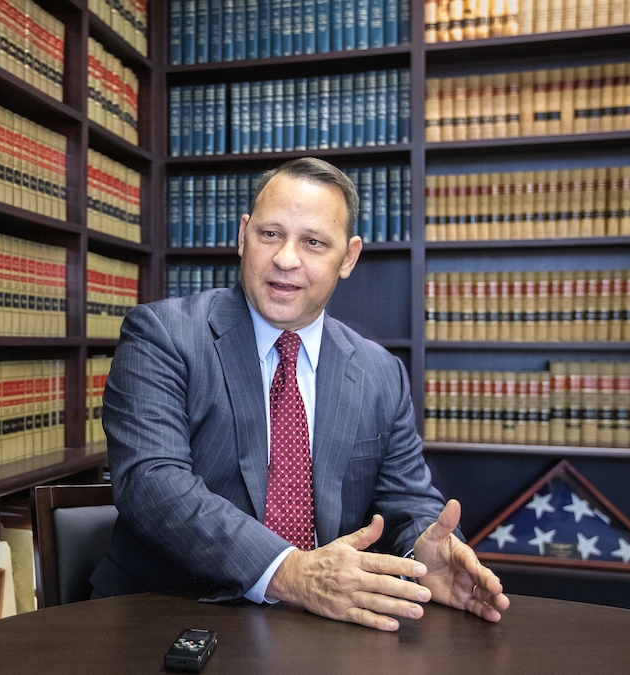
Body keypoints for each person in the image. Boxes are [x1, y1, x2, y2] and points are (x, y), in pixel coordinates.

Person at [92, 157, 509, 632]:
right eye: (270, 234)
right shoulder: (163, 335)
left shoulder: (379, 373)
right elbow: (152, 483)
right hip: (167, 617)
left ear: (348, 258)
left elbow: (406, 501)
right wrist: (289, 570)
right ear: (243, 235)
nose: (286, 258)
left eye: (312, 242)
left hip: (322, 629)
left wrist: (420, 550)